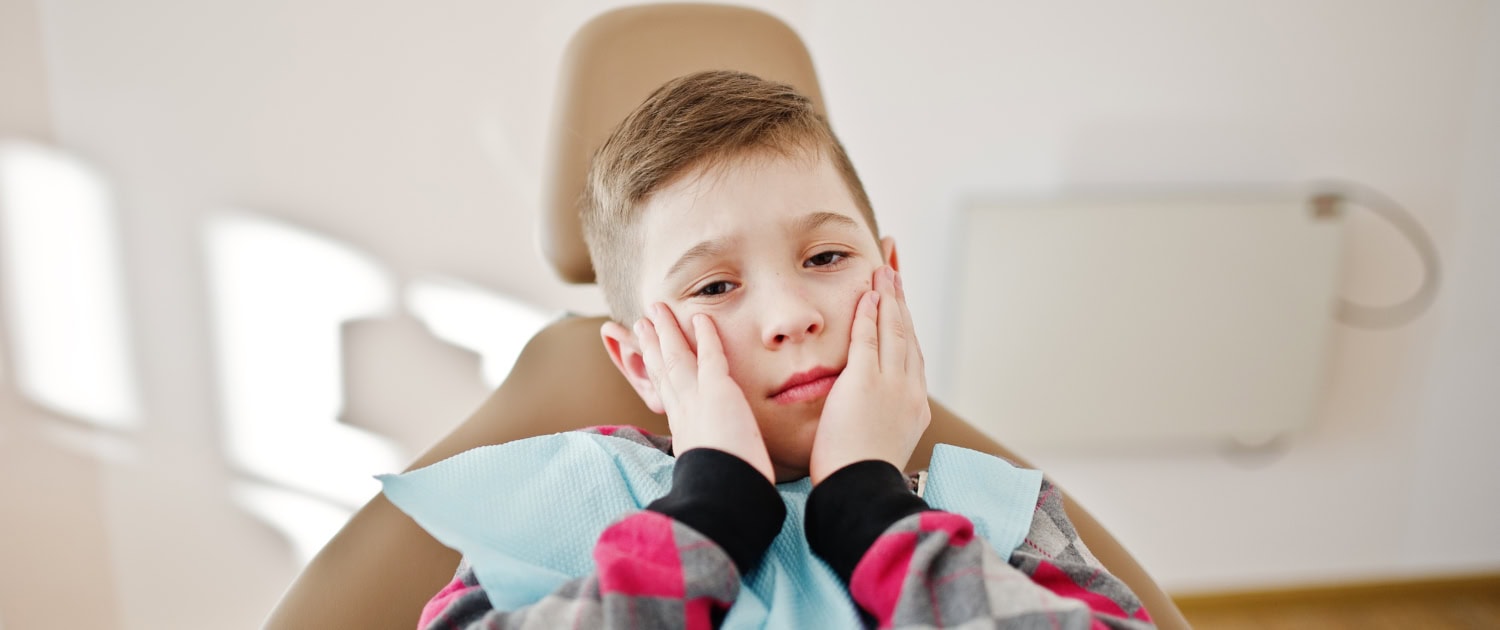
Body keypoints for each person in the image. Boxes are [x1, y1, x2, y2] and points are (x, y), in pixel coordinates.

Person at [417, 70, 1154, 629]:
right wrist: (712, 512)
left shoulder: (1002, 514)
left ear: (890, 281)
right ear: (644, 363)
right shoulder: (561, 501)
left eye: (826, 258)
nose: (792, 316)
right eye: (714, 287)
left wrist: (873, 512)